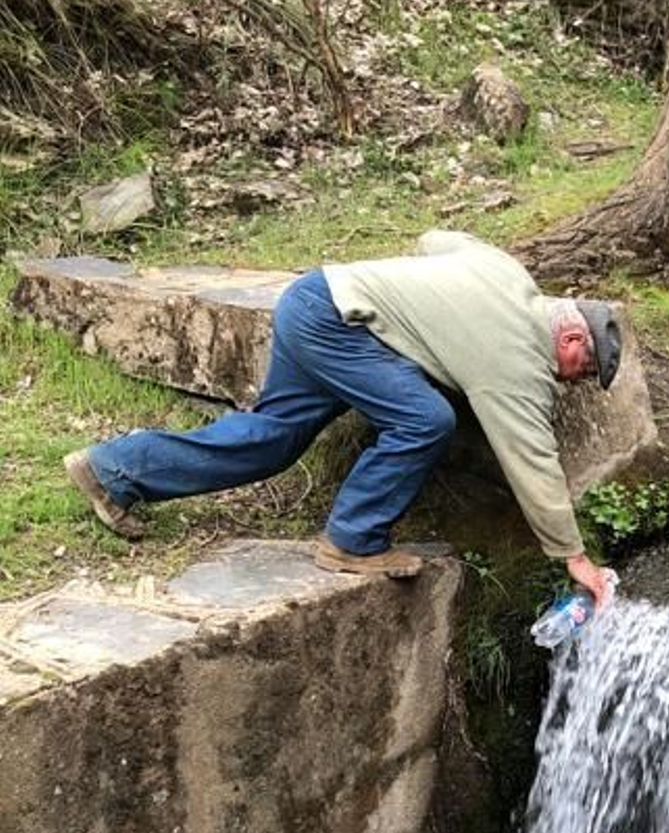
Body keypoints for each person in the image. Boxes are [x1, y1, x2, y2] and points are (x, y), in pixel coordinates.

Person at [65, 229, 623, 596]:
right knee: (426, 419)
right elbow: (532, 459)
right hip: (338, 325)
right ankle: (353, 540)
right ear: (571, 337)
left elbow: (437, 239)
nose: (573, 381)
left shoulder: (508, 273)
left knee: (273, 440)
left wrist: (424, 302)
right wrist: (573, 556)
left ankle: (114, 469)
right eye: (582, 369)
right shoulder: (517, 358)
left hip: (314, 296)